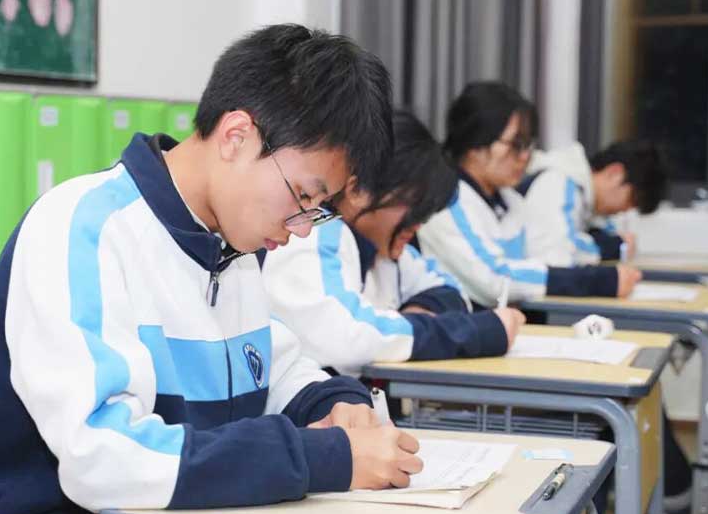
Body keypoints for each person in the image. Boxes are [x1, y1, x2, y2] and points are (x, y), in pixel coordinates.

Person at [0, 24, 423, 514]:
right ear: (236, 137)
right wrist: (321, 458)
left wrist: (336, 403)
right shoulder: (82, 228)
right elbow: (102, 458)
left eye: (318, 208)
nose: (302, 227)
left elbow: (275, 369)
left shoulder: (228, 248)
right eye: (303, 195)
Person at [262, 110, 525, 377]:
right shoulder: (314, 235)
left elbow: (451, 290)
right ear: (358, 190)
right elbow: (347, 337)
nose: (419, 224)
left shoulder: (384, 250)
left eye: (426, 215)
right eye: (414, 207)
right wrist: (478, 333)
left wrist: (417, 314)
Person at [417, 82, 641, 307]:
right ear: (475, 144)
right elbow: (494, 279)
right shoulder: (445, 201)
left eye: (529, 145)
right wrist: (597, 282)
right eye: (516, 145)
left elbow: (551, 254)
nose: (525, 157)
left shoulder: (509, 200)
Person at [520, 139, 669, 266]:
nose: (626, 210)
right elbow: (557, 252)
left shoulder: (588, 202)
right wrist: (614, 247)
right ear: (615, 173)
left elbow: (606, 234)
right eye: (631, 200)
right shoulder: (558, 183)